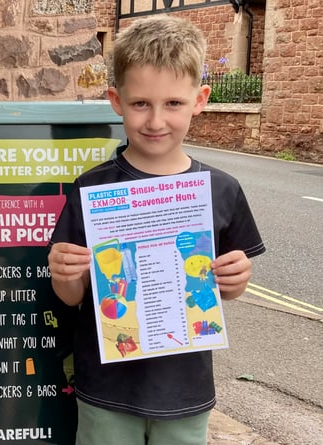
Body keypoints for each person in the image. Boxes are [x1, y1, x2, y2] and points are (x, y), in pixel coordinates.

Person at [47, 15, 265, 445]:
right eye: (141, 103)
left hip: (186, 391)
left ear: (200, 99)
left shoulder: (220, 190)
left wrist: (237, 279)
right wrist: (65, 275)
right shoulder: (92, 187)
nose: (155, 120)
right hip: (107, 391)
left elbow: (226, 288)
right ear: (116, 100)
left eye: (173, 104)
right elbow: (72, 296)